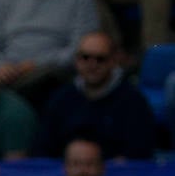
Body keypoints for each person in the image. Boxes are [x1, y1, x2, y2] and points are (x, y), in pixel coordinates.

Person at [36, 30, 156, 160]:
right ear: (76, 60)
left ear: (113, 61)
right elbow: (42, 151)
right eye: (85, 57)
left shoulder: (133, 101)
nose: (92, 65)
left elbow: (139, 153)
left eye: (100, 59)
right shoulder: (61, 99)